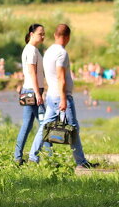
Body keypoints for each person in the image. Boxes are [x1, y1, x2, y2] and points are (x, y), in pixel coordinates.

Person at [28, 24, 91, 168]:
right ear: (68, 37)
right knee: (73, 127)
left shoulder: (49, 51)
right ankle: (81, 162)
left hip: (51, 95)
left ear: (55, 35)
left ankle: (33, 157)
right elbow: (61, 77)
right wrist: (63, 99)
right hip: (60, 97)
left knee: (44, 127)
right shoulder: (62, 53)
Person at [13, 23, 46, 165]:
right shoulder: (31, 50)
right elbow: (31, 72)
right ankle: (48, 158)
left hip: (29, 90)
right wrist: (38, 94)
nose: (43, 36)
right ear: (32, 34)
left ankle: (17, 157)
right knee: (45, 124)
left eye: (44, 34)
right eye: (40, 34)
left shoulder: (30, 49)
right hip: (33, 92)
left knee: (27, 125)